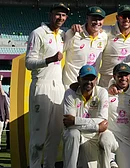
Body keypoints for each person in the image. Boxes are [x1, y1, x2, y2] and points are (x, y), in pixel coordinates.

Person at [25, 3, 69, 168]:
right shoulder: (38, 33)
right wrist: (49, 59)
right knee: (39, 135)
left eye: (64, 15)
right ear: (51, 14)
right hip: (41, 85)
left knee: (56, 134)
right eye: (58, 14)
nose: (61, 18)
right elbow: (28, 63)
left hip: (58, 87)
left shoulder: (63, 35)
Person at [63, 65, 118, 168]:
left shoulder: (101, 92)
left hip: (96, 135)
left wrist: (75, 121)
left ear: (96, 80)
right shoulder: (70, 93)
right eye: (85, 78)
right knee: (73, 133)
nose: (89, 82)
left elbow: (102, 121)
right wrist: (97, 126)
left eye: (91, 79)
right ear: (79, 79)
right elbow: (68, 123)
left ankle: (109, 162)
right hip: (80, 135)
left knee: (107, 137)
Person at [62, 6, 108, 88]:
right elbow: (59, 51)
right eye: (94, 19)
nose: (97, 22)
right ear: (87, 18)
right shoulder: (73, 33)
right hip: (71, 86)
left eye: (100, 19)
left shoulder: (104, 37)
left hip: (90, 87)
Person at [98, 5, 130, 87]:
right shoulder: (106, 30)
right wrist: (78, 27)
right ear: (117, 17)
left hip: (128, 81)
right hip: (107, 80)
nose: (126, 19)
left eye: (129, 16)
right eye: (123, 16)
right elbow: (91, 28)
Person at [108, 63, 130, 168]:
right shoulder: (106, 92)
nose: (123, 78)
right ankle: (111, 161)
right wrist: (111, 85)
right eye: (120, 75)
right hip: (111, 136)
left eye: (126, 75)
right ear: (114, 77)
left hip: (129, 140)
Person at [0, 75, 9, 151]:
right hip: (3, 118)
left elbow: (6, 108)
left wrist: (7, 118)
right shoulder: (4, 96)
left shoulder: (3, 97)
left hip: (2, 118)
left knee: (1, 134)